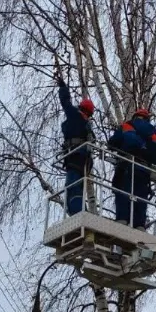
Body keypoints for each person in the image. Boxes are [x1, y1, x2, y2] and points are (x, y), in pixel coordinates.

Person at [107, 108, 156, 230]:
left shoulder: (127, 126)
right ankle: (140, 225)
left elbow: (112, 143)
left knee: (124, 191)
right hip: (144, 170)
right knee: (140, 196)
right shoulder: (151, 131)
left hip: (127, 166)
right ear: (147, 119)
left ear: (135, 117)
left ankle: (122, 220)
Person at [57, 76, 95, 215]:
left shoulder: (76, 116)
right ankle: (81, 212)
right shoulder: (87, 125)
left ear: (81, 107)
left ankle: (79, 214)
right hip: (83, 160)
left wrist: (62, 87)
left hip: (75, 158)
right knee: (76, 187)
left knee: (72, 187)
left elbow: (65, 102)